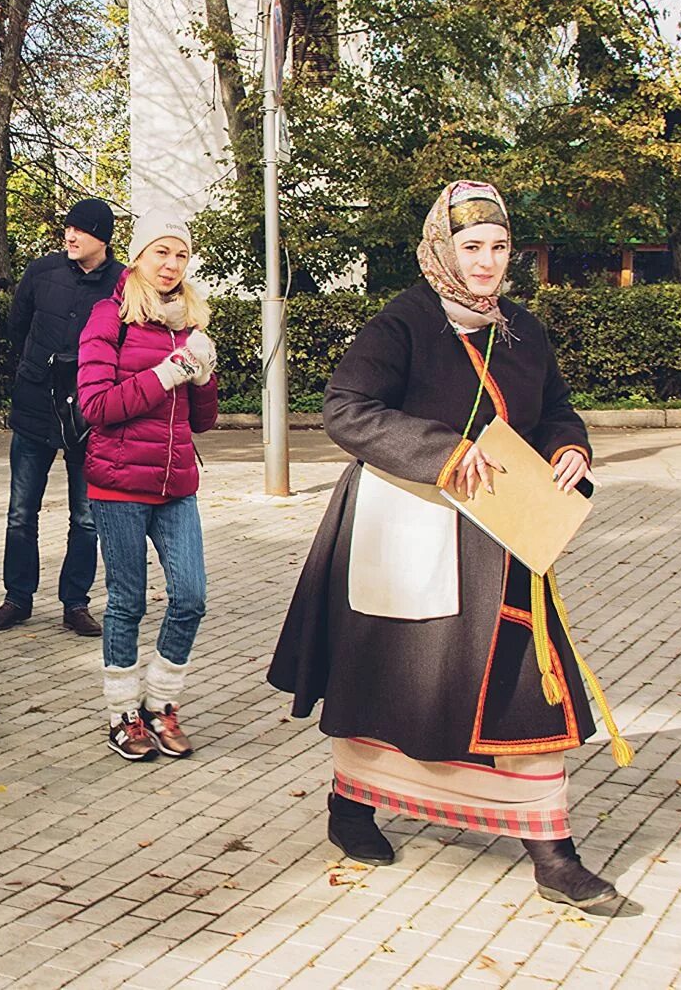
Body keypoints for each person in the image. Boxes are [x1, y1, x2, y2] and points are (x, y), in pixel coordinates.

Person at [267, 181, 629, 910]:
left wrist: (570, 447)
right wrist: (442, 452)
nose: (487, 262)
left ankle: (551, 850)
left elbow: (555, 409)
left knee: (522, 683)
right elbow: (345, 409)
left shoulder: (522, 328)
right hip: (405, 527)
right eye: (472, 247)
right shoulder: (402, 322)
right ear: (442, 249)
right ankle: (352, 806)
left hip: (501, 534)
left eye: (499, 247)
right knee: (388, 680)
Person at [77, 214, 218, 761]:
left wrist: (203, 377)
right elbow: (96, 406)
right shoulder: (108, 317)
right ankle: (122, 712)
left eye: (180, 254)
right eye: (161, 252)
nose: (171, 264)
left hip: (175, 481)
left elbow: (202, 421)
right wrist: (169, 372)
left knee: (191, 597)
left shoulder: (190, 323)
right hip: (118, 484)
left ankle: (160, 702)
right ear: (137, 257)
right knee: (127, 601)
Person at [0, 198, 125, 637]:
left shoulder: (123, 283)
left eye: (81, 230)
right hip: (35, 406)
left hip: (89, 414)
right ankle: (17, 598)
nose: (71, 235)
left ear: (102, 238)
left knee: (86, 517)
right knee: (21, 511)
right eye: (68, 227)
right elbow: (17, 327)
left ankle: (75, 603)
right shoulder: (41, 271)